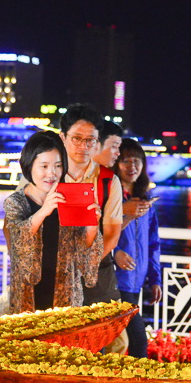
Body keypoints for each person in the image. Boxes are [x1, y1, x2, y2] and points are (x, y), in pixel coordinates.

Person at [3, 131, 103, 313]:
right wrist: (43, 211)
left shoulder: (71, 199)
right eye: (44, 166)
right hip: (28, 297)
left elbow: (84, 251)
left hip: (65, 296)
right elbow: (16, 242)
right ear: (29, 166)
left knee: (63, 339)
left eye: (58, 166)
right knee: (28, 340)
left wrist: (92, 226)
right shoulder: (16, 202)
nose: (51, 173)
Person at [57, 104, 124, 307]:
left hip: (95, 271)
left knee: (110, 335)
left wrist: (83, 265)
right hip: (50, 270)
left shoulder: (108, 180)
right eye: (76, 138)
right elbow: (14, 223)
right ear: (62, 138)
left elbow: (112, 234)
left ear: (97, 142)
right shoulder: (42, 173)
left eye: (90, 140)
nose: (83, 146)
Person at [112, 138, 162, 358]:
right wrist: (114, 254)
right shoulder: (112, 197)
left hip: (136, 281)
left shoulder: (145, 201)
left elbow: (153, 244)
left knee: (130, 342)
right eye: (125, 161)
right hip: (116, 281)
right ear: (116, 164)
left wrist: (155, 279)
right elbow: (96, 231)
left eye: (137, 161)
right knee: (138, 340)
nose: (132, 166)